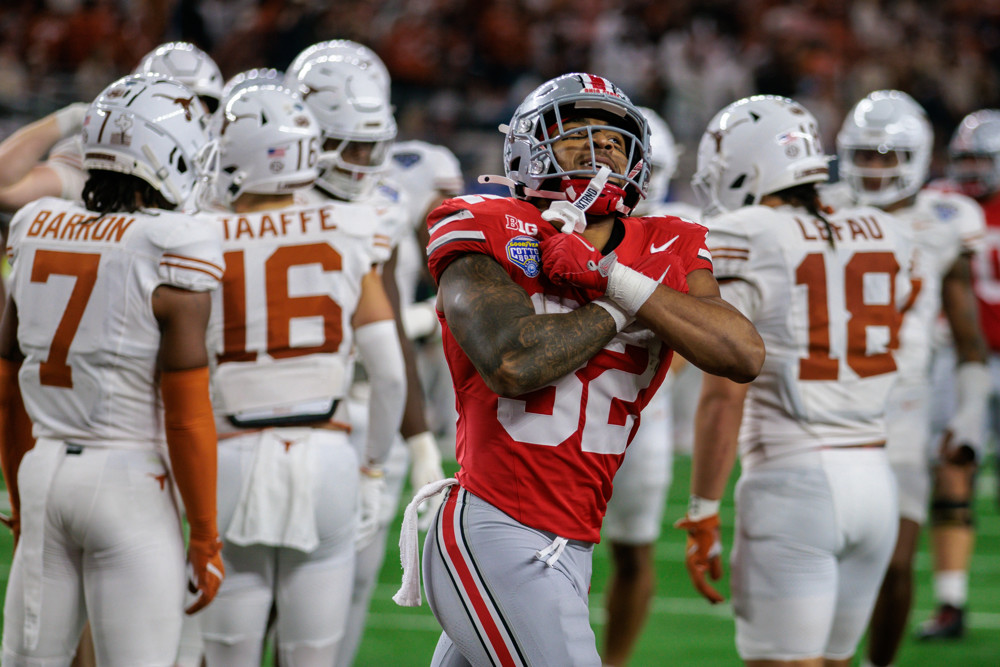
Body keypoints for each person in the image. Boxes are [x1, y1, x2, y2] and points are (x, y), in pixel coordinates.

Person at [394, 72, 763, 666]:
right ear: (528, 147)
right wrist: (622, 302)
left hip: (574, 535)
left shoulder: (668, 241)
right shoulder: (484, 221)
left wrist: (610, 275)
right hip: (497, 523)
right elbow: (515, 363)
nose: (601, 152)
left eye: (615, 140)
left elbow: (742, 354)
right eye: (578, 136)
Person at [679, 94, 913, 667]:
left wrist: (704, 507)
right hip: (876, 481)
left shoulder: (748, 232)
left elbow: (722, 394)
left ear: (749, 164)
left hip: (795, 483)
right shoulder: (886, 228)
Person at [0, 72, 225, 665]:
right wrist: (204, 532)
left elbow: (7, 389)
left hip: (44, 468)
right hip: (128, 479)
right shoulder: (171, 244)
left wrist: (23, 499)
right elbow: (187, 413)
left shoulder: (36, 226)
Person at [193, 83, 406, 666]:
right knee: (313, 656)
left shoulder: (198, 236)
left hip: (230, 451)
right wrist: (374, 469)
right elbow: (388, 375)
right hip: (328, 454)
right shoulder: (353, 226)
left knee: (226, 655)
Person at [285, 43, 451, 667]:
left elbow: (391, 323)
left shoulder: (388, 199)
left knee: (348, 589)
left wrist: (419, 445)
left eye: (367, 143)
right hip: (290, 402)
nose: (360, 160)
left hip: (368, 408)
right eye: (344, 144)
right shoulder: (251, 199)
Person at [836, 91, 988, 661]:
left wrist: (968, 421)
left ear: (919, 156)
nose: (874, 168)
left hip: (904, 409)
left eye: (886, 155)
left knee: (895, 563)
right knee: (828, 560)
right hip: (830, 400)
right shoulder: (820, 207)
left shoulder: (948, 221)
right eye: (864, 155)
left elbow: (970, 340)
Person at [599, 105, 700, 667]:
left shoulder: (681, 231)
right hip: (568, 410)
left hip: (643, 414)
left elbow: (694, 332)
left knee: (633, 550)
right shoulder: (571, 218)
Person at [913, 107, 1000, 640]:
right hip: (959, 355)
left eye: (981, 160)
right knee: (951, 466)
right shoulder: (940, 205)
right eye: (963, 159)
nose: (969, 172)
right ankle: (951, 601)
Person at [0, 41, 223, 214]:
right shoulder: (107, 162)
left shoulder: (228, 166)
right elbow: (4, 188)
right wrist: (73, 116)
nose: (190, 116)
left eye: (198, 103)